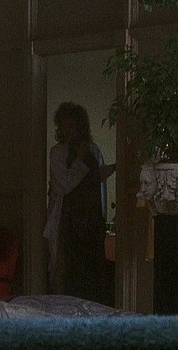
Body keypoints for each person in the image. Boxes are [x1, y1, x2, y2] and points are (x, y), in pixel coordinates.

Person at [43, 102, 115, 305]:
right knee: (65, 267)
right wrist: (81, 160)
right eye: (64, 126)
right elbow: (65, 184)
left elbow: (98, 180)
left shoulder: (93, 149)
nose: (68, 131)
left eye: (72, 126)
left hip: (91, 219)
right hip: (67, 220)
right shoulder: (57, 152)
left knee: (92, 266)